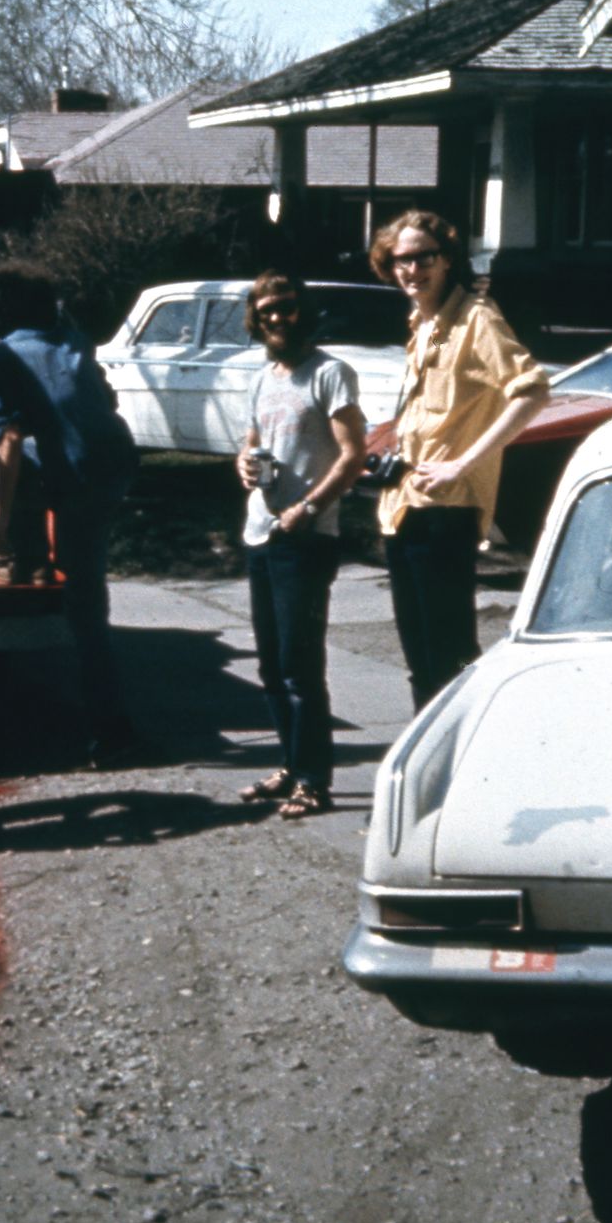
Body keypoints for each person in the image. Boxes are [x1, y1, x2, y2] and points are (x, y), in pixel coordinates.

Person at [369, 210, 549, 710]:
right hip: (404, 506)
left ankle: (455, 774)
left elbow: (532, 391)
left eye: (424, 256)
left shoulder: (476, 319)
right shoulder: (424, 324)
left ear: (447, 259)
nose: (412, 269)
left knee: (449, 657)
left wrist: (463, 463)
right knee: (420, 658)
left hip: (447, 509)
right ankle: (427, 772)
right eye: (401, 259)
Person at [0, 261, 140, 768]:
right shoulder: (70, 336)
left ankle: (110, 730)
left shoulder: (2, 356)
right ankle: (37, 560)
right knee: (88, 584)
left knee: (86, 605)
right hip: (118, 456)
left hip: (83, 471)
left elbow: (8, 439)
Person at [235, 271, 367, 819]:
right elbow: (252, 444)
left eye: (285, 308)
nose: (275, 318)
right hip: (260, 534)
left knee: (299, 667)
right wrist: (241, 463)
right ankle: (291, 764)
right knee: (269, 665)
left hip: (306, 538)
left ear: (302, 310)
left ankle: (314, 779)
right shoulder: (263, 378)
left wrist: (309, 508)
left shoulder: (330, 373)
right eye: (265, 310)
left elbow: (354, 453)